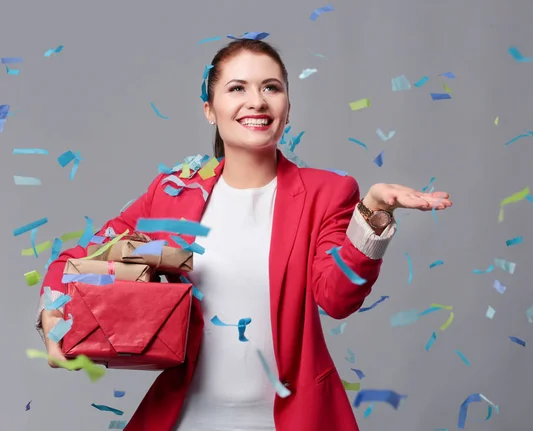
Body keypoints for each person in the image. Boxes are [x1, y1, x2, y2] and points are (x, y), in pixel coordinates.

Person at [35, 39, 452, 431]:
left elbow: (337, 297)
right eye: (237, 88)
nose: (257, 100)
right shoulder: (172, 192)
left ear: (288, 108)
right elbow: (74, 261)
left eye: (271, 87)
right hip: (189, 418)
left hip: (295, 418)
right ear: (209, 109)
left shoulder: (329, 193)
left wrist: (374, 215)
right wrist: (51, 315)